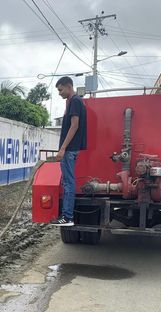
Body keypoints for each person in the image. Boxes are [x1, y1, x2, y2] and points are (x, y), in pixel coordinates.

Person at [51, 76, 87, 227]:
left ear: (68, 86)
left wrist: (63, 148)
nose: (59, 93)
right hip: (71, 149)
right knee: (68, 182)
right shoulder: (74, 102)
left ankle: (67, 217)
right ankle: (67, 216)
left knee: (68, 182)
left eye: (60, 90)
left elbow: (74, 125)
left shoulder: (75, 101)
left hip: (69, 149)